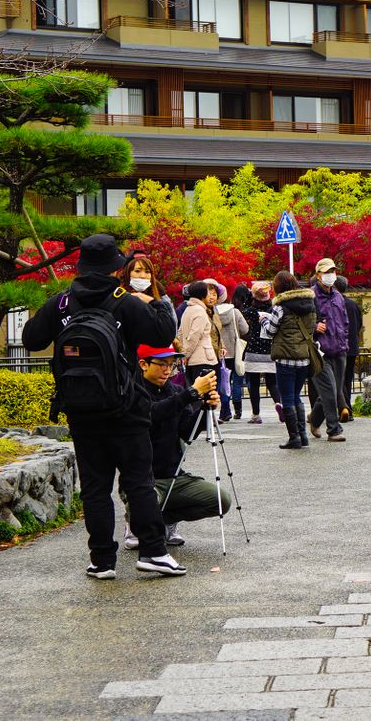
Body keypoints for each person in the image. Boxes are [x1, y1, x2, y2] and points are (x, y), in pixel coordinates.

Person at [21, 234, 182, 579]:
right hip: (126, 408)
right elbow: (163, 334)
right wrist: (152, 301)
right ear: (116, 268)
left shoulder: (61, 303)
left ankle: (101, 561)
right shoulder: (125, 300)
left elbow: (31, 339)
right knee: (138, 480)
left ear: (80, 267)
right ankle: (153, 551)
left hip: (81, 411)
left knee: (95, 487)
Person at [124, 345, 222, 551]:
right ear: (143, 364)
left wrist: (205, 410)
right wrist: (191, 393)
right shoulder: (131, 391)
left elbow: (187, 433)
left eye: (172, 364)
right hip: (142, 478)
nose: (168, 370)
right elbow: (152, 413)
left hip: (174, 475)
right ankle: (134, 523)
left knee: (221, 500)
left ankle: (164, 519)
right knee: (146, 500)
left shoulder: (175, 391)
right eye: (161, 364)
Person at [262, 271, 318, 449]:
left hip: (285, 358)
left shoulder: (280, 307)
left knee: (287, 398)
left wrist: (264, 320)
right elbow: (310, 329)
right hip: (303, 357)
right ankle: (303, 436)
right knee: (297, 397)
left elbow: (270, 331)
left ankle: (294, 438)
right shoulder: (310, 304)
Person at [307, 257, 347, 441]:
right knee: (329, 390)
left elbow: (344, 321)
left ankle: (314, 419)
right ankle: (333, 429)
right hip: (320, 351)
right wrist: (314, 327)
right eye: (326, 272)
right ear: (318, 275)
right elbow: (302, 323)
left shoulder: (338, 295)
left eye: (333, 272)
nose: (331, 275)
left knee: (333, 390)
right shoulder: (310, 296)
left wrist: (344, 340)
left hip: (339, 349)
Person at [205, 279, 247, 422]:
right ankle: (236, 410)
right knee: (235, 382)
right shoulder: (234, 311)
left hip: (217, 352)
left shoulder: (210, 312)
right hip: (234, 352)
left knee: (222, 382)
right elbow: (245, 329)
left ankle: (225, 410)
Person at [238, 281, 277, 425]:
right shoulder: (273, 310)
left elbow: (243, 322)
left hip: (253, 349)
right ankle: (280, 404)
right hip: (270, 350)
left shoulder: (249, 312)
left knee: (253, 384)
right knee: (272, 383)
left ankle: (255, 414)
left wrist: (249, 297)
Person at [177, 280, 221, 393]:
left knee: (194, 392)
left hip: (193, 360)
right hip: (203, 359)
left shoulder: (188, 309)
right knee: (204, 395)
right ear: (203, 295)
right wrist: (185, 355)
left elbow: (180, 333)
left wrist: (183, 353)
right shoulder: (200, 311)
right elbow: (194, 337)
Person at [334, 275, 362, 422]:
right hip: (353, 346)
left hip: (339, 346)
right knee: (347, 379)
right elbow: (359, 325)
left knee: (338, 379)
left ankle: (343, 408)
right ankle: (347, 408)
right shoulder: (353, 305)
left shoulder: (335, 304)